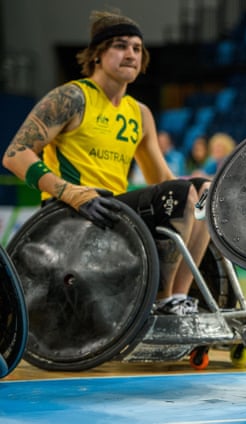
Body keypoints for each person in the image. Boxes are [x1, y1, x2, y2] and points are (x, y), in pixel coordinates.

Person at [1, 9, 210, 316]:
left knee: (202, 192)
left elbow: (162, 179)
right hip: (68, 211)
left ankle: (177, 298)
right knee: (182, 194)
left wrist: (196, 185)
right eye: (121, 46)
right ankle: (162, 300)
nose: (131, 54)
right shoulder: (72, 97)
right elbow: (15, 154)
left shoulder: (139, 113)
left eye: (137, 48)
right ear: (97, 54)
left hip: (116, 210)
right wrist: (70, 192)